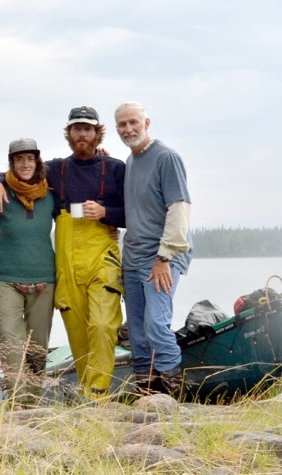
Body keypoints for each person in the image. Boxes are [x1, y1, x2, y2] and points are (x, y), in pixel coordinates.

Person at [0, 106, 125, 397]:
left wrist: (106, 213)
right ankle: (89, 398)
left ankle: (99, 391)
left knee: (102, 324)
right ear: (69, 134)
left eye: (88, 128)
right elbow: (22, 170)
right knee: (77, 332)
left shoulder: (115, 168)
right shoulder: (57, 169)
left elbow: (132, 213)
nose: (82, 134)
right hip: (65, 261)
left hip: (102, 256)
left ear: (97, 132)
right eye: (77, 128)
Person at [113, 100, 193, 397]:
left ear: (147, 123)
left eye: (133, 122)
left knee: (156, 325)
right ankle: (147, 395)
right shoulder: (131, 161)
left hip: (161, 257)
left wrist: (165, 257)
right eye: (122, 124)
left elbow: (179, 208)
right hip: (132, 258)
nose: (128, 128)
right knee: (136, 332)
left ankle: (174, 396)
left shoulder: (166, 158)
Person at [0, 138, 55, 408]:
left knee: (37, 351)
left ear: (38, 162)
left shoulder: (51, 194)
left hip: (45, 281)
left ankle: (31, 407)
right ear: (11, 163)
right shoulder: (0, 192)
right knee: (11, 348)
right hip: (7, 281)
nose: (25, 164)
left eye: (30, 159)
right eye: (19, 159)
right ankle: (16, 408)